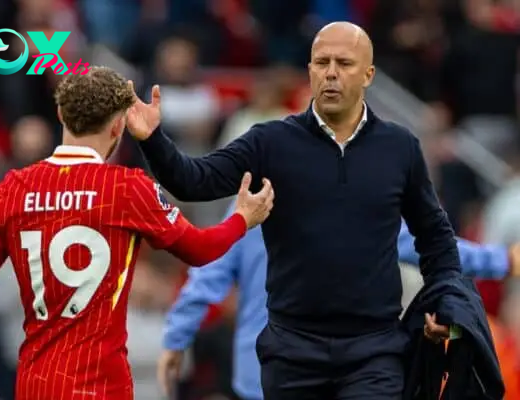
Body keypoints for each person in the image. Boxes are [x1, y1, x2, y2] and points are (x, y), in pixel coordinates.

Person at [126, 22, 472, 399]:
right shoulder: (271, 142)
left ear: (369, 74)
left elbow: (434, 234)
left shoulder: (400, 148)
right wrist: (153, 139)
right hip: (293, 352)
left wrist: (447, 302)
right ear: (309, 71)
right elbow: (194, 181)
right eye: (322, 62)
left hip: (375, 350)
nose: (332, 73)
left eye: (345, 63)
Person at [0, 66, 274, 400]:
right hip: (104, 385)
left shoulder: (14, 188)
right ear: (120, 125)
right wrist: (241, 220)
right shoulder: (127, 188)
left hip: (38, 382)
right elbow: (200, 249)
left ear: (61, 114)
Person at [158, 200, 520, 400]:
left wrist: (176, 338)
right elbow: (434, 248)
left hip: (262, 376)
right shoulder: (362, 205)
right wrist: (503, 260)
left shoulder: (253, 206)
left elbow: (207, 275)